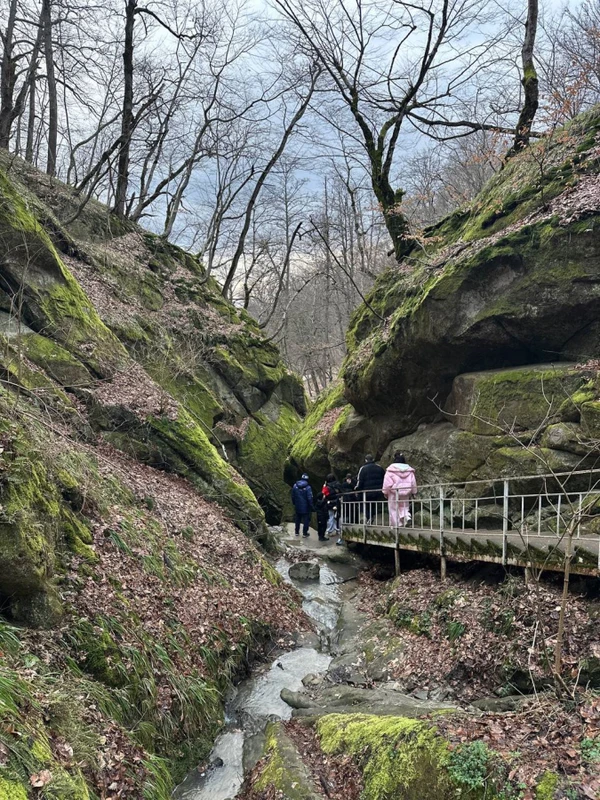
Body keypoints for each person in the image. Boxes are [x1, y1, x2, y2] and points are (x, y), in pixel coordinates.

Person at [382, 452, 417, 527]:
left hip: (394, 492)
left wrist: (385, 492)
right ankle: (407, 517)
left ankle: (397, 524)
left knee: (393, 508)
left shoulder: (390, 470)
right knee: (404, 506)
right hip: (406, 492)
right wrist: (414, 492)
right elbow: (413, 483)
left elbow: (387, 484)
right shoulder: (409, 471)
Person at [355, 454, 385, 525]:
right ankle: (372, 516)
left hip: (366, 492)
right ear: (373, 459)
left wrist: (357, 489)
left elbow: (360, 481)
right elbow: (384, 478)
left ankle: (369, 517)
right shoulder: (379, 468)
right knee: (373, 504)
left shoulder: (363, 468)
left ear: (365, 460)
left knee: (365, 505)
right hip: (377, 491)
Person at [323, 473, 342, 538]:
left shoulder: (327, 486)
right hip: (338, 502)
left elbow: (324, 494)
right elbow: (341, 492)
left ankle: (330, 530)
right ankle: (338, 530)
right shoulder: (338, 484)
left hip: (330, 502)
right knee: (338, 516)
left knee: (331, 516)